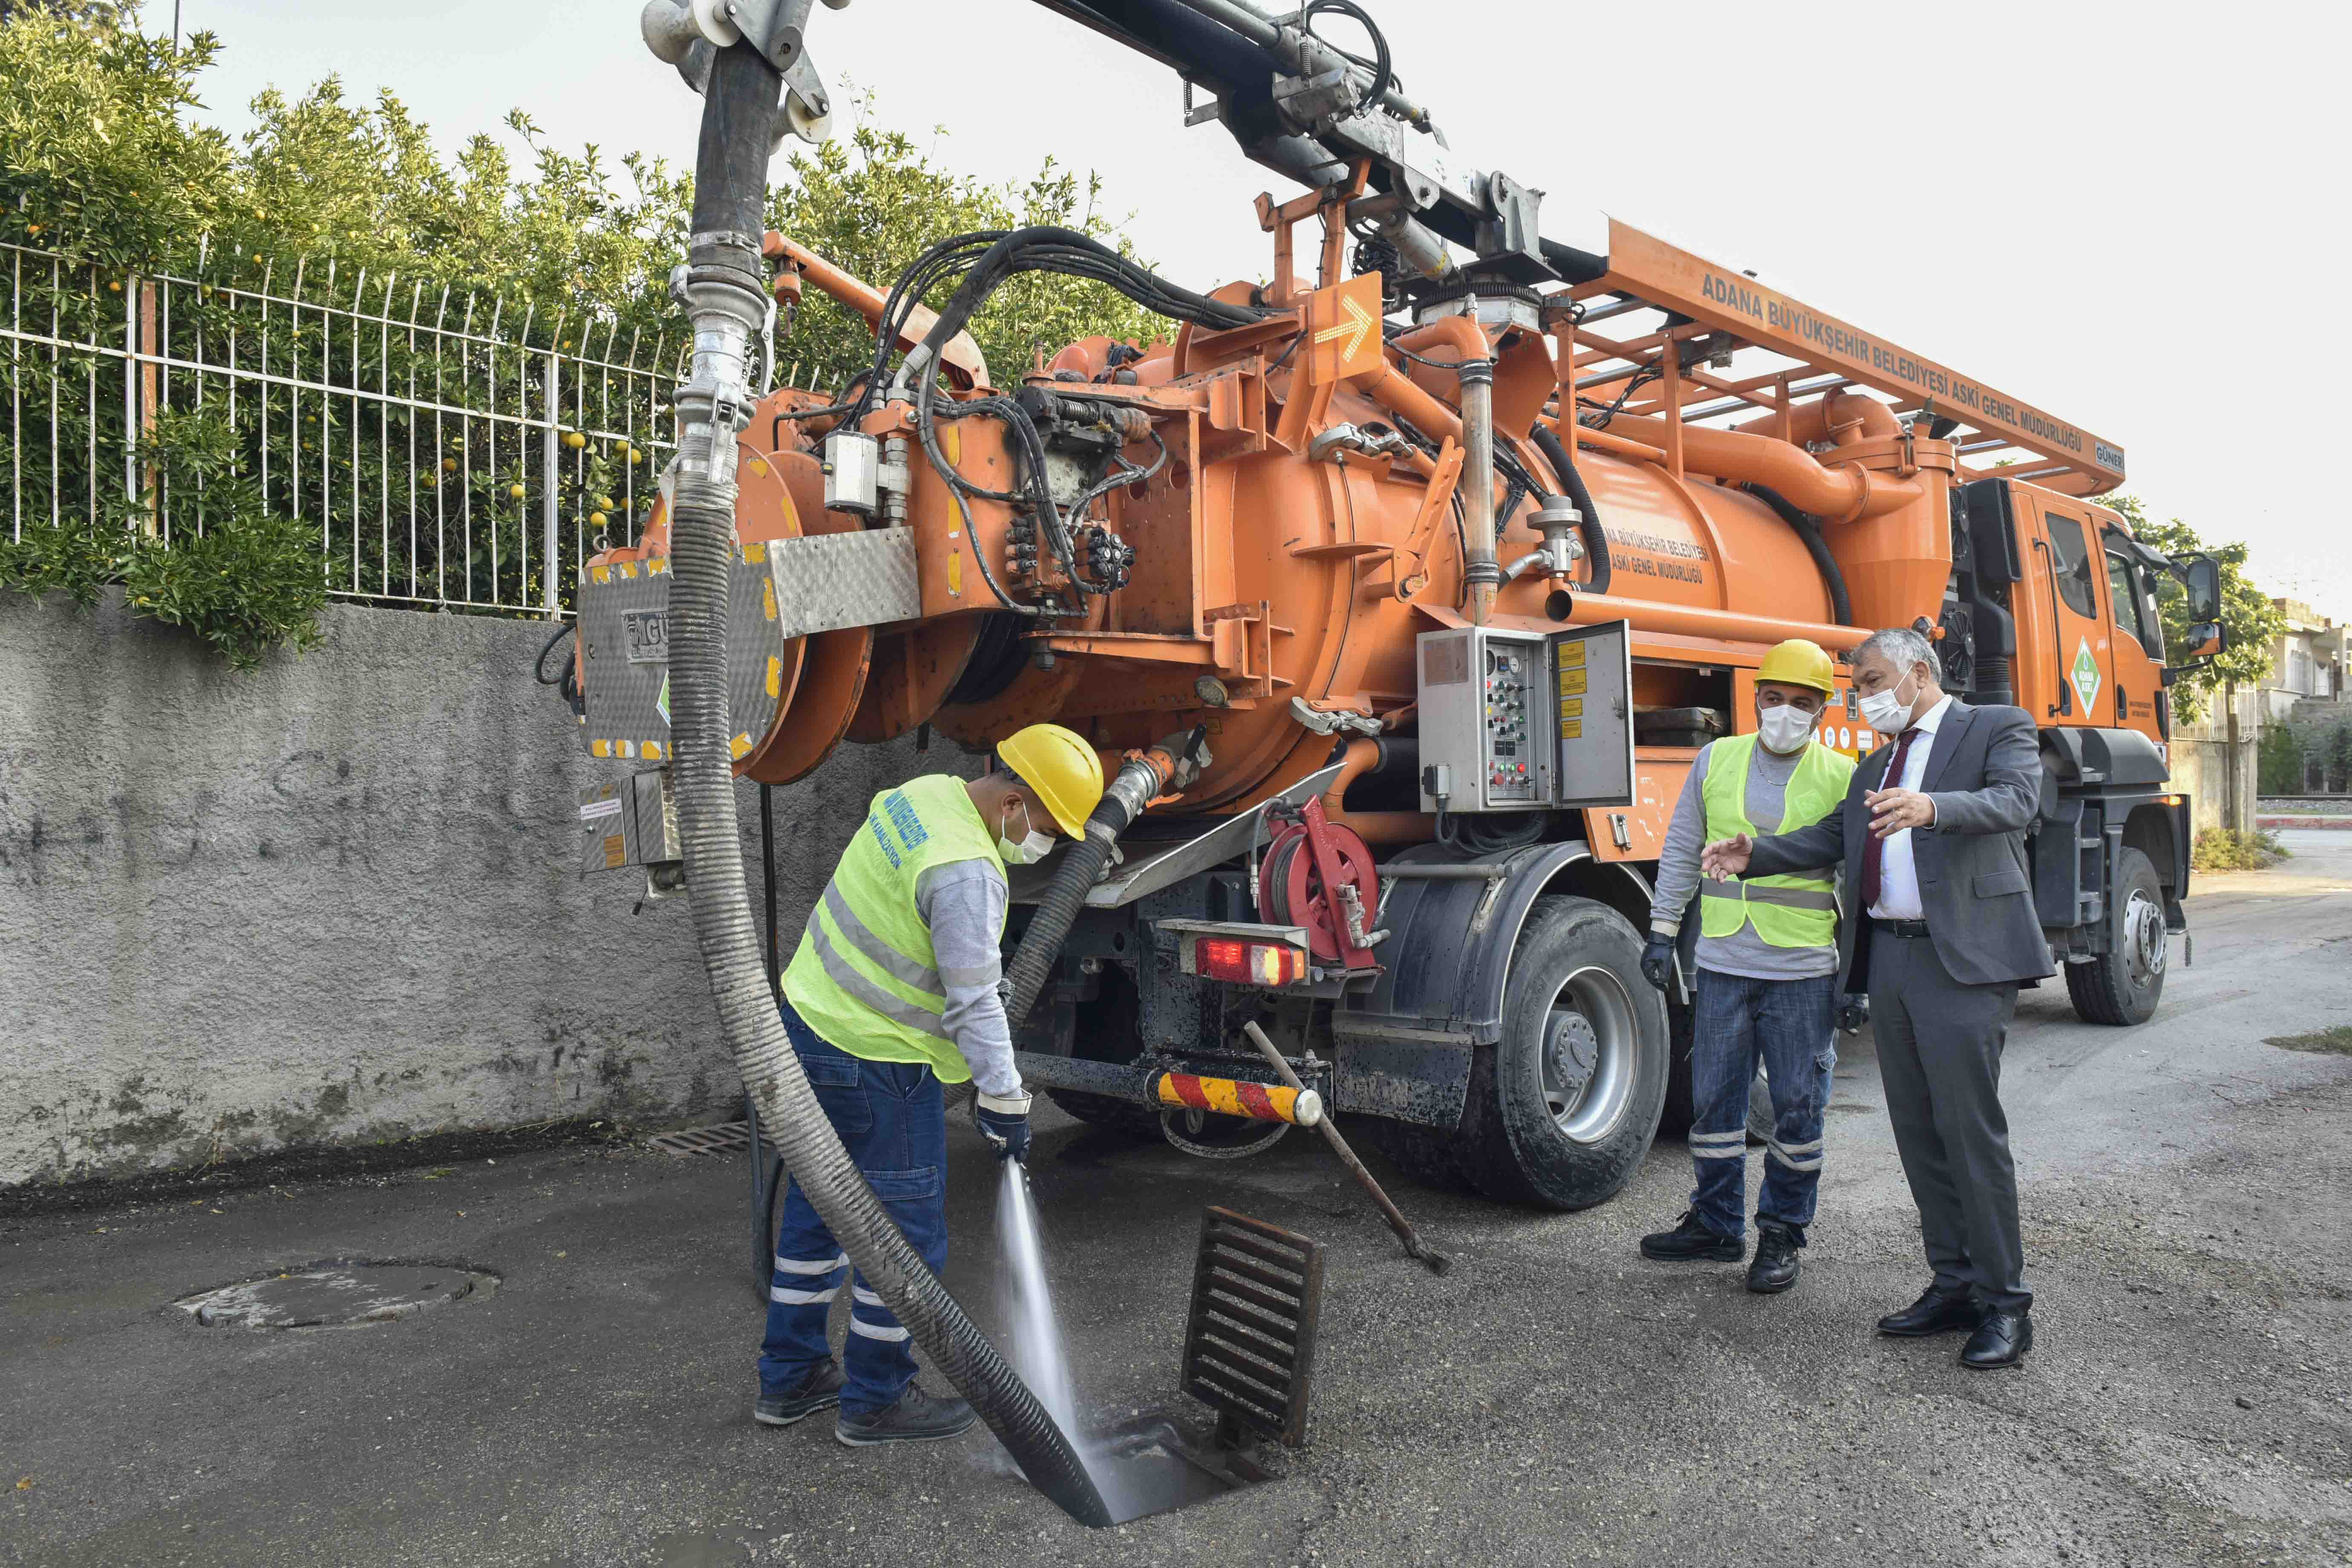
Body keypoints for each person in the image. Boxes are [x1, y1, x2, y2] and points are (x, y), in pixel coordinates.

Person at [1703, 627, 2051, 1368]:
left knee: (1970, 1133)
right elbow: (1830, 837)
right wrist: (1756, 854)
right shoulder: (1874, 765)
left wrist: (1934, 808)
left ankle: (2005, 1304)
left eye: (1871, 681)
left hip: (1963, 961)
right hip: (1890, 961)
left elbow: (2017, 800)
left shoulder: (1996, 726)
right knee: (1919, 1134)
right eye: (1857, 686)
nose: (1862, 697)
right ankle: (1953, 1285)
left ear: (1918, 672)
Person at [754, 723, 1104, 1443]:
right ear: (1013, 802)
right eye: (1044, 827)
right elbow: (974, 1002)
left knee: (818, 1213)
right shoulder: (967, 871)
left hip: (811, 1024)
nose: (1042, 843)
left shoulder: (924, 797)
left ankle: (789, 1378)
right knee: (906, 1235)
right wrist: (1004, 1098)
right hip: (880, 1063)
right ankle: (876, 1401)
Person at [1637, 639, 1856, 1293]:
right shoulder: (1717, 759)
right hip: (1724, 963)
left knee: (1798, 1110)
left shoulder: (1844, 774)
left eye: (1802, 702)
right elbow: (1683, 849)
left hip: (1802, 970)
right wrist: (1662, 931)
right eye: (1776, 698)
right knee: (1714, 1104)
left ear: (1822, 709)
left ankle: (1782, 1233)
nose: (1786, 711)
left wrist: (1858, 979)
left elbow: (1861, 883)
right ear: (1756, 698)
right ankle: (1716, 1224)